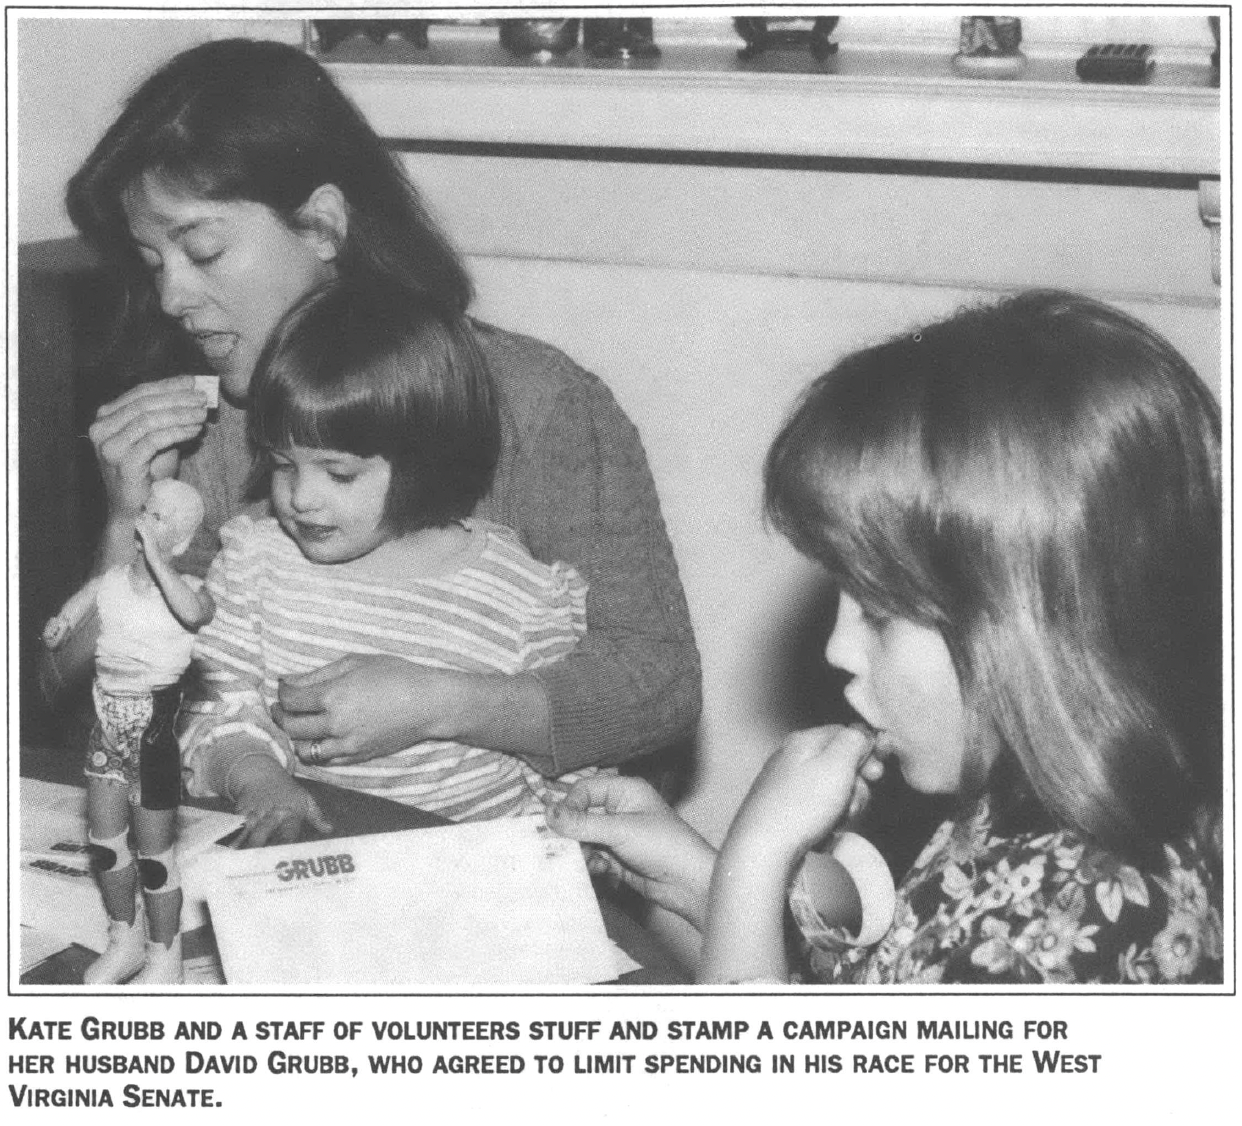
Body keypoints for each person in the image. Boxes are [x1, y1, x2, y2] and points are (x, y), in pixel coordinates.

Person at [42, 37, 700, 845]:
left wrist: (446, 703)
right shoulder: (194, 425)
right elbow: (100, 732)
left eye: (203, 248)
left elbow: (659, 685)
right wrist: (123, 529)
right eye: (153, 262)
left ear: (322, 223)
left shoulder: (540, 402)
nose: (173, 294)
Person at [551, 291, 1223, 985]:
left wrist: (753, 861)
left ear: (1024, 626)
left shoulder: (1082, 931)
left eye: (876, 611)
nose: (836, 650)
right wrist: (693, 879)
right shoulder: (1022, 802)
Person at [180, 280, 600, 833]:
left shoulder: (525, 596)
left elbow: (566, 767)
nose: (300, 497)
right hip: (303, 860)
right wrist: (257, 778)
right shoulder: (253, 563)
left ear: (427, 460)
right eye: (284, 464)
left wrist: (579, 831)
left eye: (339, 473)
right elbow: (216, 707)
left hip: (464, 876)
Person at [42, 478, 214, 984]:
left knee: (155, 854)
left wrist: (160, 561)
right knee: (104, 841)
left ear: (180, 542)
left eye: (161, 519)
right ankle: (125, 936)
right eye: (147, 509)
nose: (146, 520)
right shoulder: (114, 580)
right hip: (107, 725)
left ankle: (165, 957)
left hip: (153, 731)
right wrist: (61, 623)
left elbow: (193, 613)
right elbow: (81, 604)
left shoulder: (191, 593)